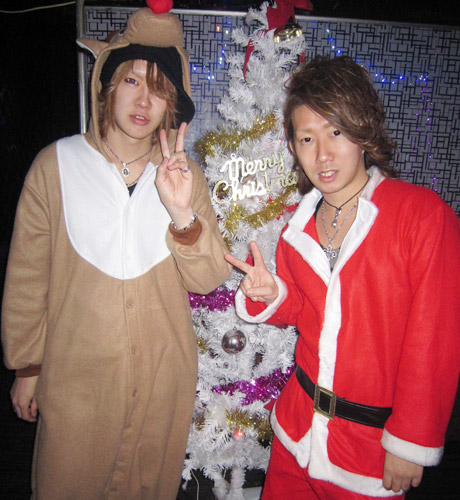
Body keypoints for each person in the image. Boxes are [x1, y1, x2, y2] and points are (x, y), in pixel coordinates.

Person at [1, 5, 231, 499]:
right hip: (77, 381)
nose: (144, 100)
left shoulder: (184, 175)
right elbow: (27, 277)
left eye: (159, 88)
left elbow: (209, 276)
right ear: (107, 87)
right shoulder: (56, 165)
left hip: (163, 382)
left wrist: (181, 213)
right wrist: (27, 367)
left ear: (171, 105)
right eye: (131, 81)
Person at [225, 55, 460, 499]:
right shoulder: (298, 226)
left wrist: (410, 442)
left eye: (335, 131)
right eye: (307, 138)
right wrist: (272, 294)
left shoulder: (423, 216)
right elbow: (307, 310)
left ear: (363, 128)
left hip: (368, 451)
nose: (323, 154)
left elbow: (435, 340)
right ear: (293, 147)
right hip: (296, 435)